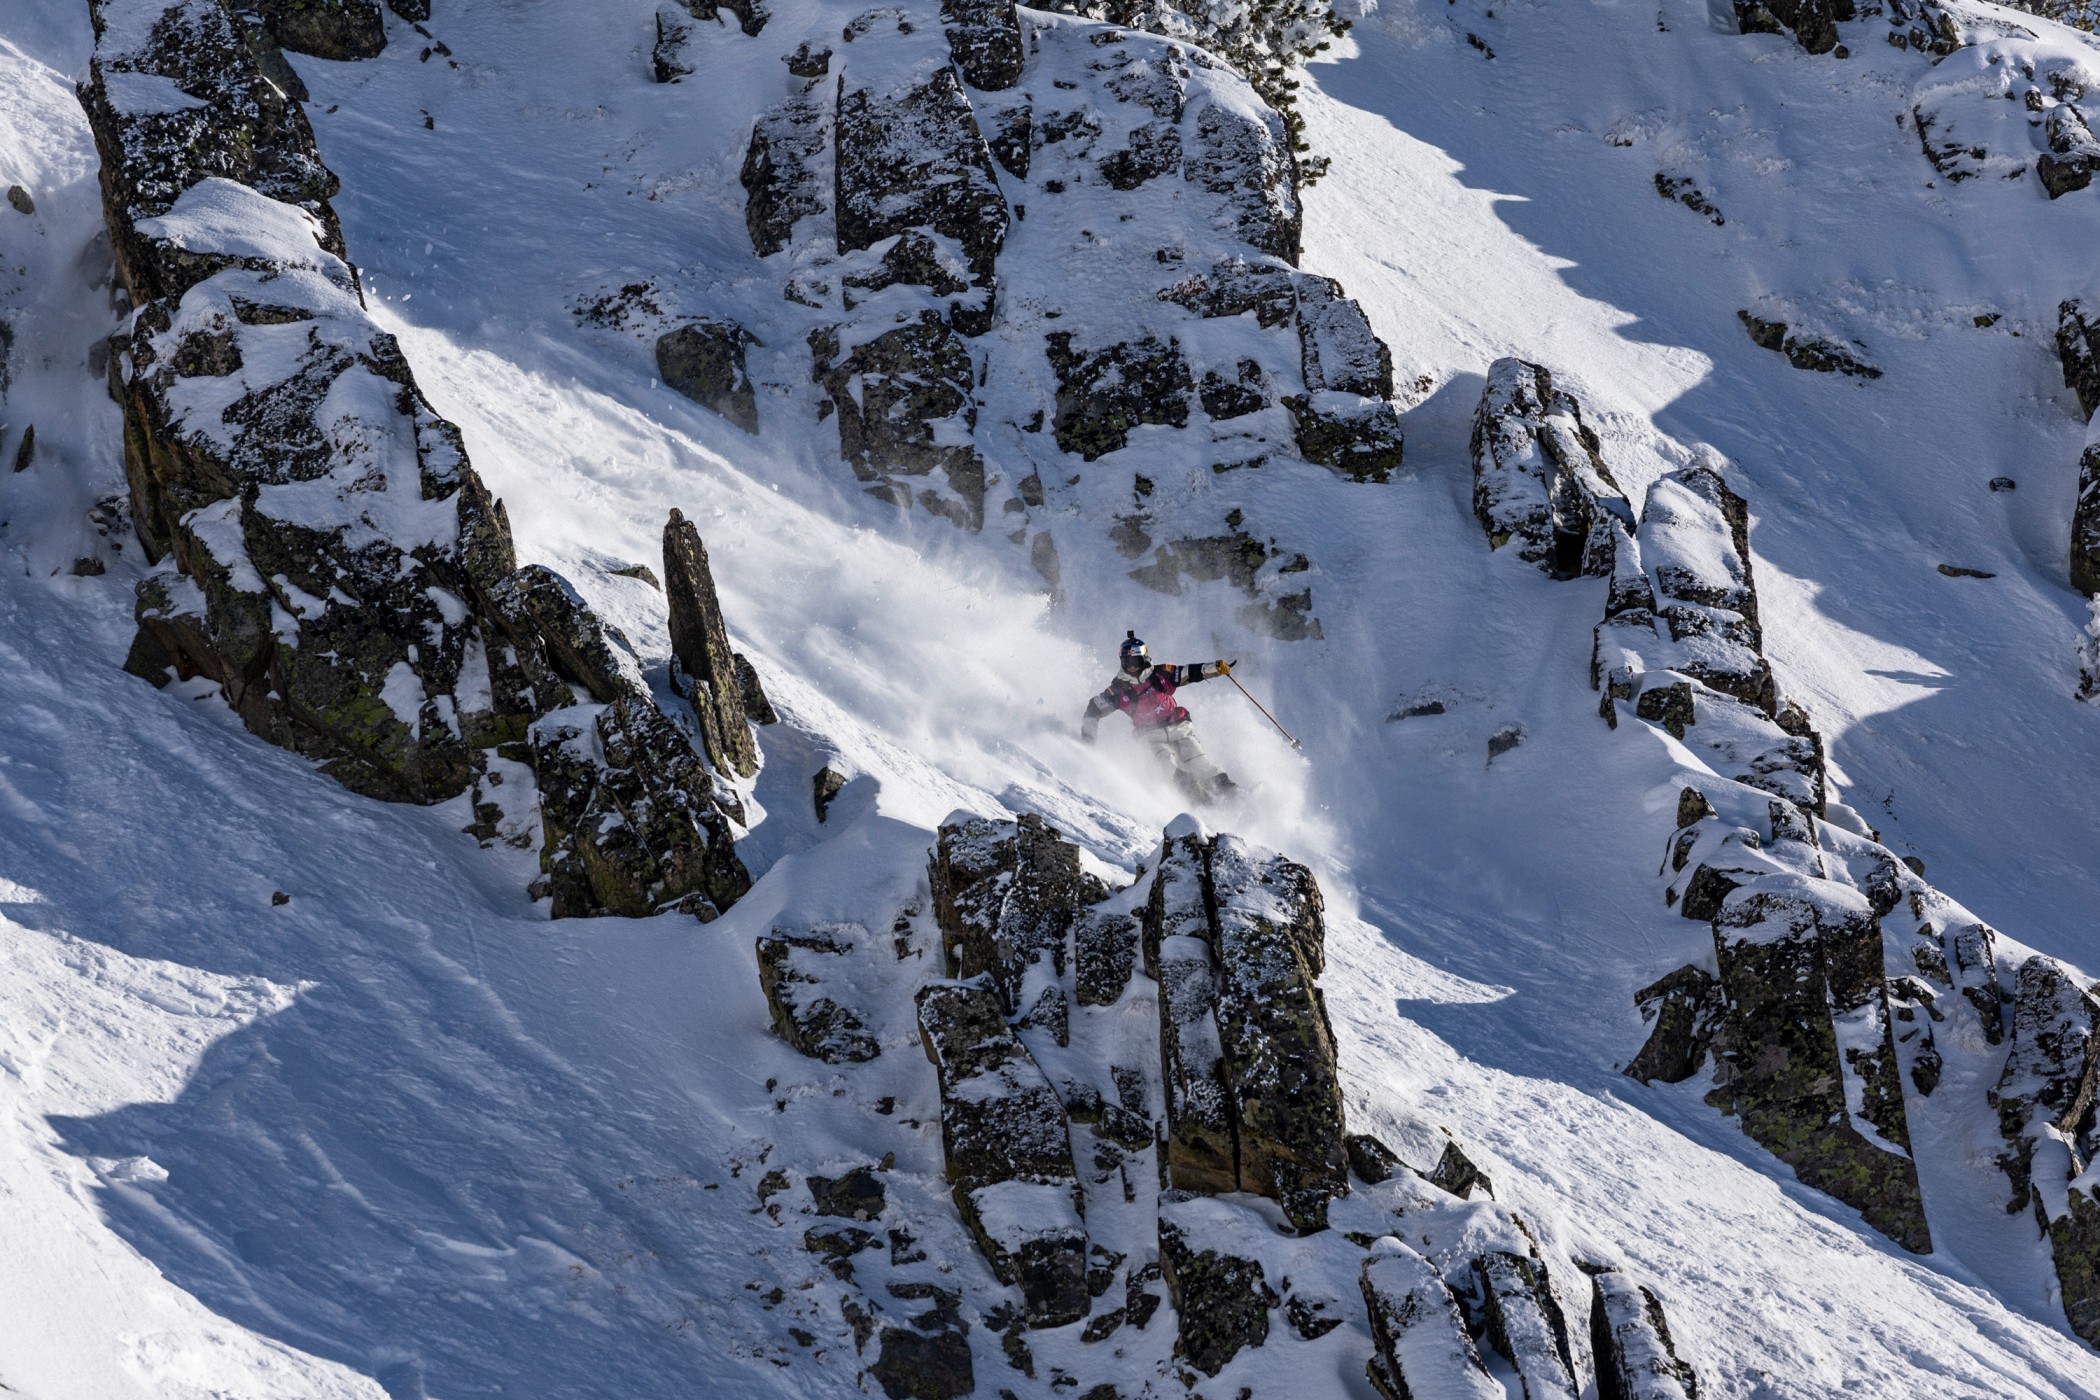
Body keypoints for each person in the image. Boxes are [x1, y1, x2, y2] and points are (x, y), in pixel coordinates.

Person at [1080, 631, 1239, 803]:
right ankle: (1201, 804)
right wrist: (1087, 741)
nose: (1132, 667)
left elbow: (1188, 672)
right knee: (1168, 764)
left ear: (1144, 659)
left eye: (1136, 661)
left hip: (1179, 727)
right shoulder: (1119, 688)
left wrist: (1215, 668)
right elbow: (1094, 708)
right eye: (1127, 662)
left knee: (1199, 762)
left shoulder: (1160, 674)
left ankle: (1234, 796)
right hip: (1150, 737)